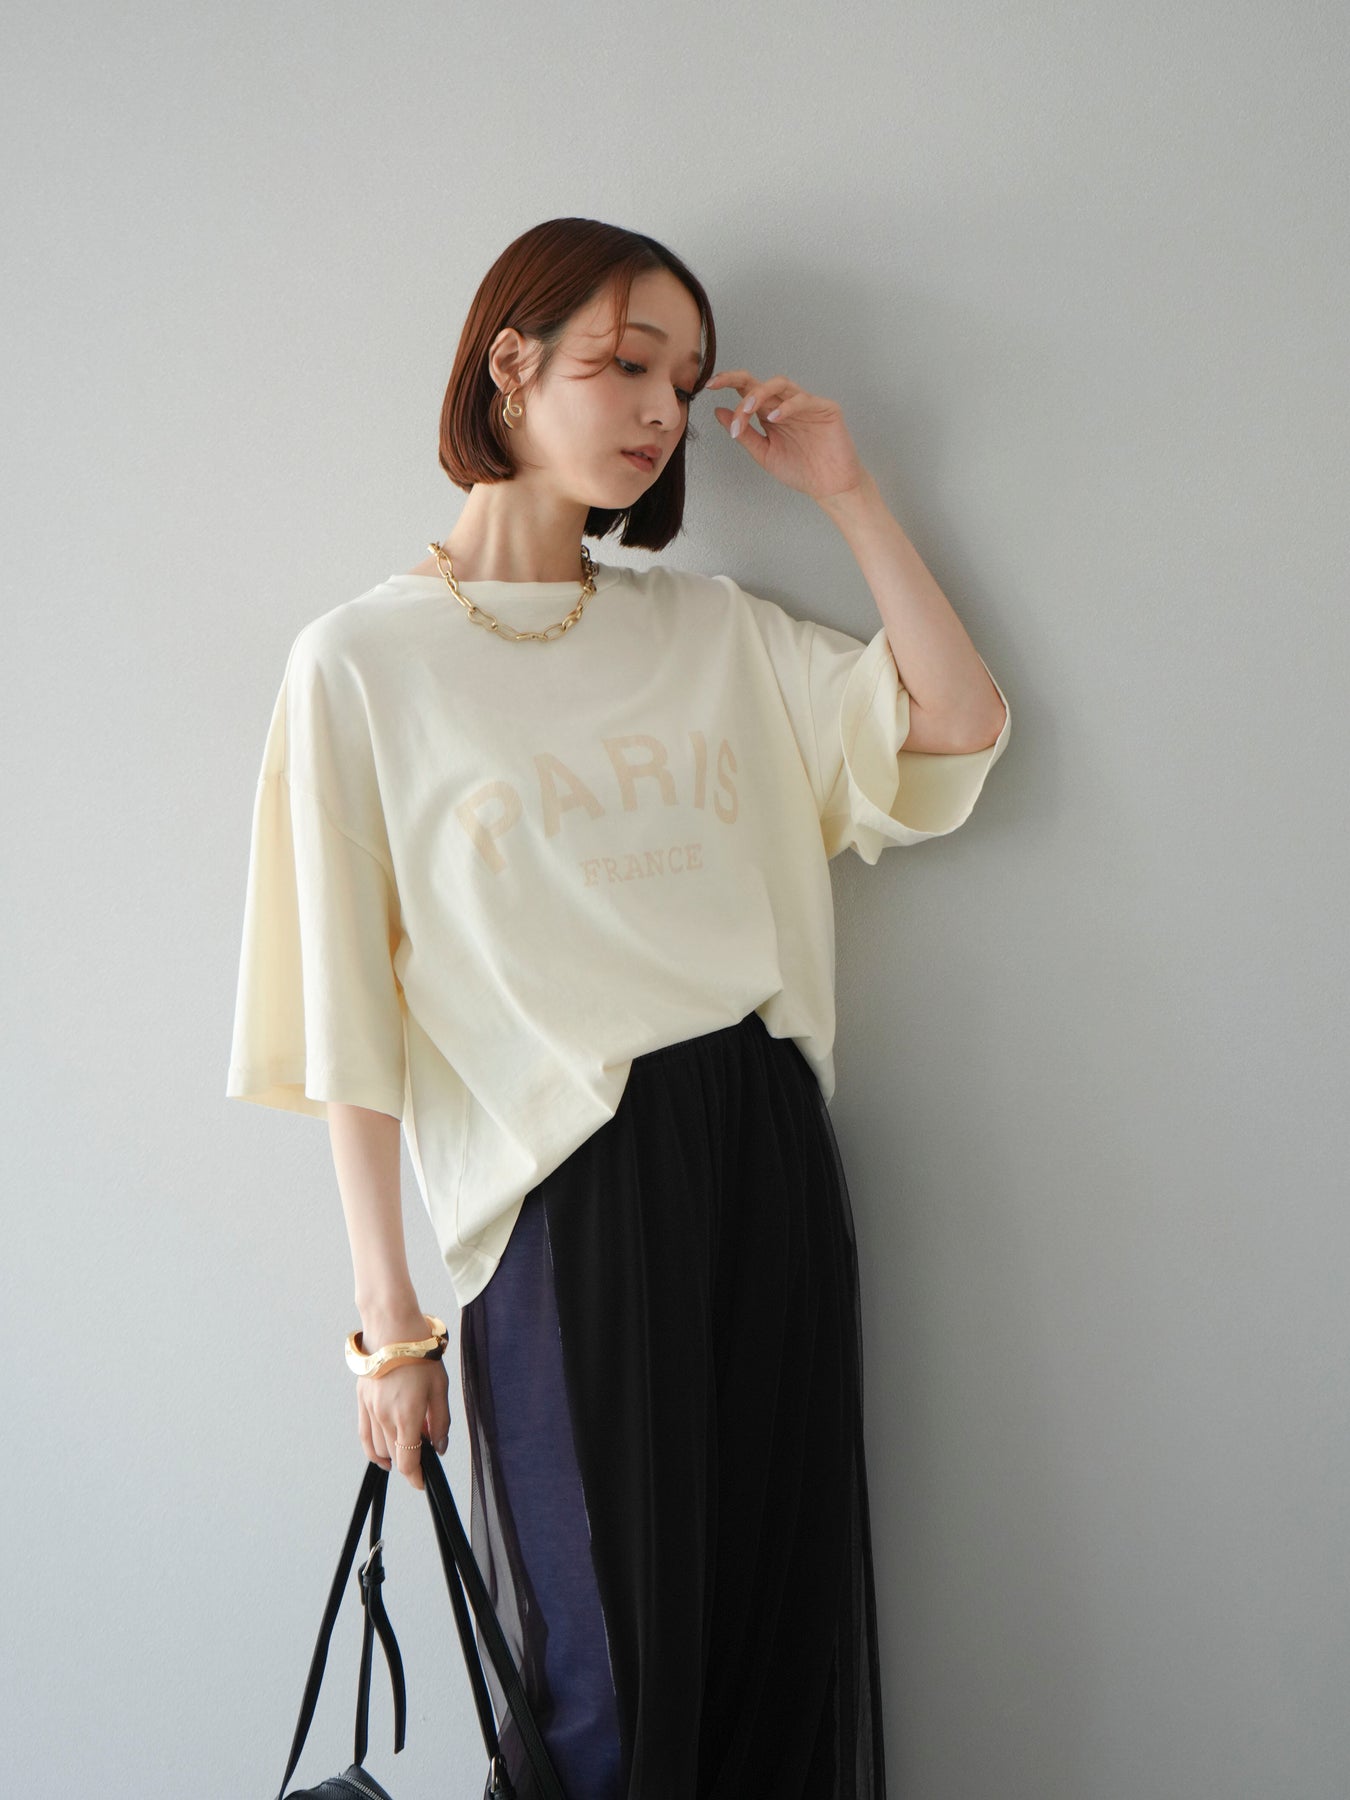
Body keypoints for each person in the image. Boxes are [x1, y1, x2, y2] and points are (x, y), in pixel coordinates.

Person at [226, 215, 1010, 1800]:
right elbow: (343, 1014)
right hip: (564, 1186)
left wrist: (847, 492)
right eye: (625, 364)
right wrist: (389, 1328)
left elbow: (953, 721)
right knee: (605, 1678)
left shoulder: (705, 627)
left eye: (684, 381)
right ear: (509, 365)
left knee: (768, 1645)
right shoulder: (360, 664)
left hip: (761, 1142)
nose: (660, 409)